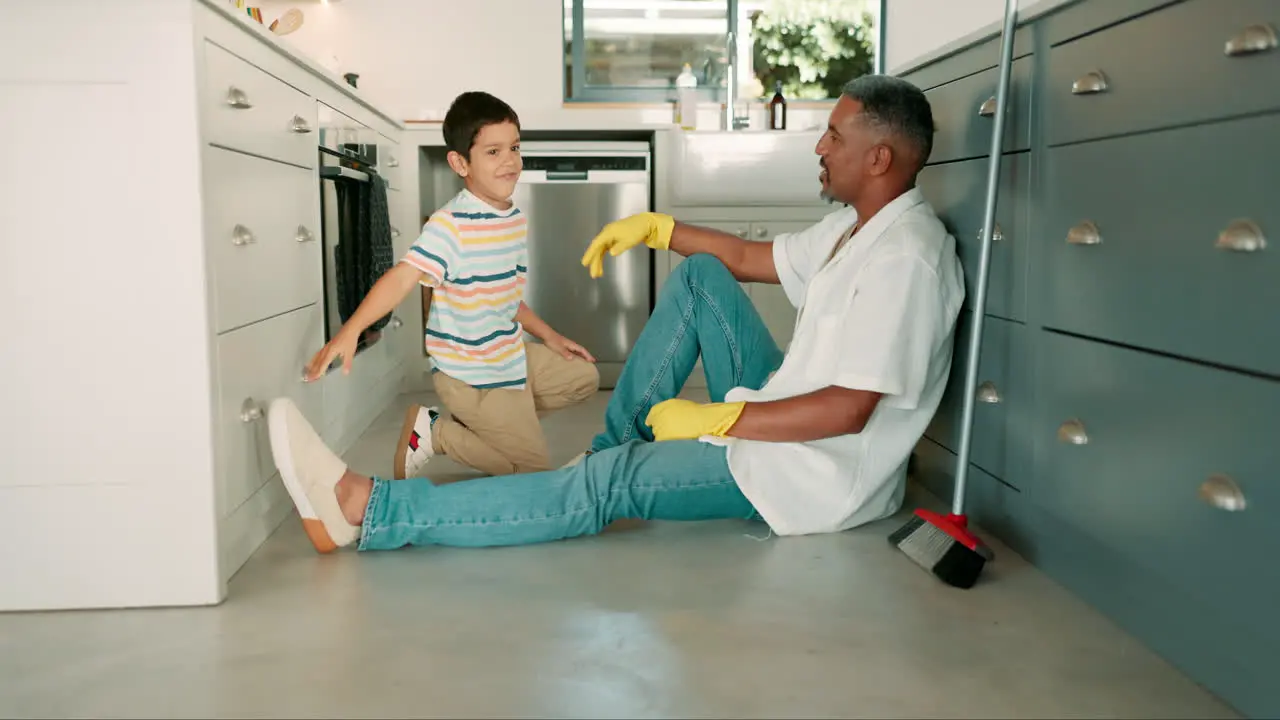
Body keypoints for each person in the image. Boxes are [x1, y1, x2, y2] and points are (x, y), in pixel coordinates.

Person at [267, 74, 965, 554]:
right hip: (785, 412)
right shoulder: (859, 227)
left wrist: (717, 419)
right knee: (700, 276)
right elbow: (750, 259)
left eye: (833, 137)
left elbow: (849, 411)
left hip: (807, 475)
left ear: (878, 157)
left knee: (606, 487)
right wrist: (660, 228)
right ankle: (606, 458)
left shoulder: (906, 259)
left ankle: (370, 509)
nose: (818, 145)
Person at [303, 90, 600, 480]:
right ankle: (438, 433)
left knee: (583, 377)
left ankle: (491, 426)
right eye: (492, 152)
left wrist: (551, 337)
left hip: (507, 358)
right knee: (534, 478)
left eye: (514, 147)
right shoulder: (451, 225)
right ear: (461, 162)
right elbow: (401, 277)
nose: (510, 161)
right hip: (469, 374)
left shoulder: (512, 219)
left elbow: (506, 298)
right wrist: (351, 330)